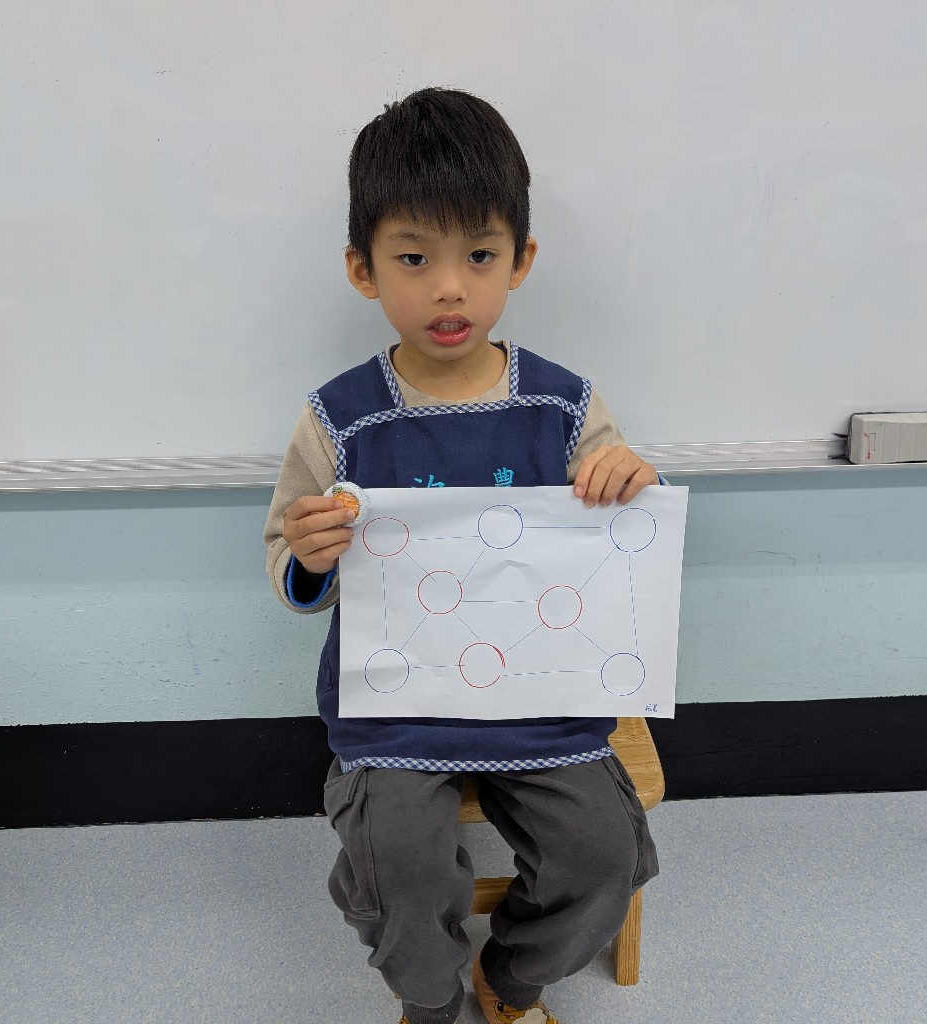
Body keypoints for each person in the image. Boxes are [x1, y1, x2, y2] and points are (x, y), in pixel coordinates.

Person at [264, 87, 660, 1024]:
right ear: (362, 269)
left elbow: (619, 535)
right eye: (414, 258)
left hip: (544, 697)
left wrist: (628, 481)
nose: (450, 288)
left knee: (603, 856)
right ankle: (431, 999)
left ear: (521, 259)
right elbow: (290, 560)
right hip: (398, 707)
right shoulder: (340, 419)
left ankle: (511, 977)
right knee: (394, 868)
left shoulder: (564, 407)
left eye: (479, 256)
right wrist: (311, 554)